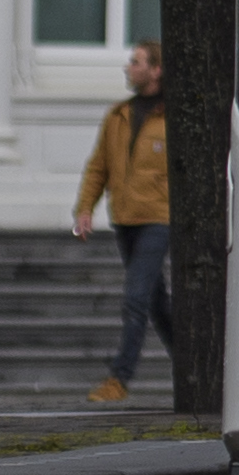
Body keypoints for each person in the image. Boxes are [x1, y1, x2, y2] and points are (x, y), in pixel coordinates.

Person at [72, 37, 171, 403]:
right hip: (125, 219)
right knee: (157, 303)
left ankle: (119, 379)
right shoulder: (119, 115)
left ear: (156, 69)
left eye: (137, 61)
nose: (129, 67)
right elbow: (99, 166)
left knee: (135, 298)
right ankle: (194, 371)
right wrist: (85, 209)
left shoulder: (171, 118)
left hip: (159, 218)